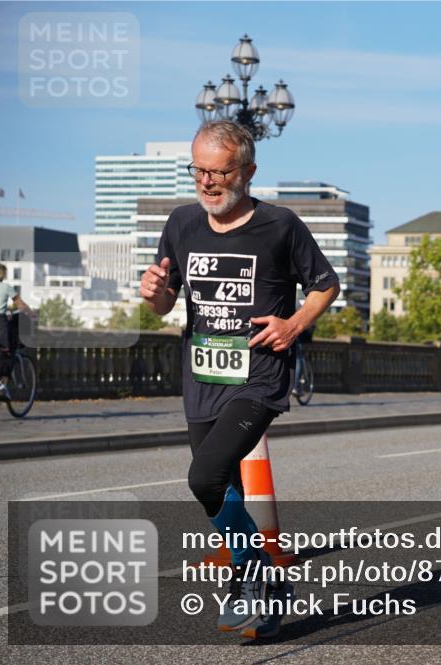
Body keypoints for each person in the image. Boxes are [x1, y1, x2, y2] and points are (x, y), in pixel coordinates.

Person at [140, 120, 340, 638]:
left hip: (259, 377)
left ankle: (252, 573)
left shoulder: (280, 225)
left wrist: (294, 323)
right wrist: (155, 293)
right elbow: (166, 300)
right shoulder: (181, 222)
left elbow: (325, 284)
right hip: (202, 377)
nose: (207, 182)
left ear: (248, 172)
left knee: (203, 477)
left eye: (220, 172)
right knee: (223, 488)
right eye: (199, 171)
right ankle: (264, 594)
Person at [0, 261, 33, 398]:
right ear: (1, 274)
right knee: (10, 353)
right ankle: (3, 383)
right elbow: (21, 305)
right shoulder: (6, 287)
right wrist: (32, 314)